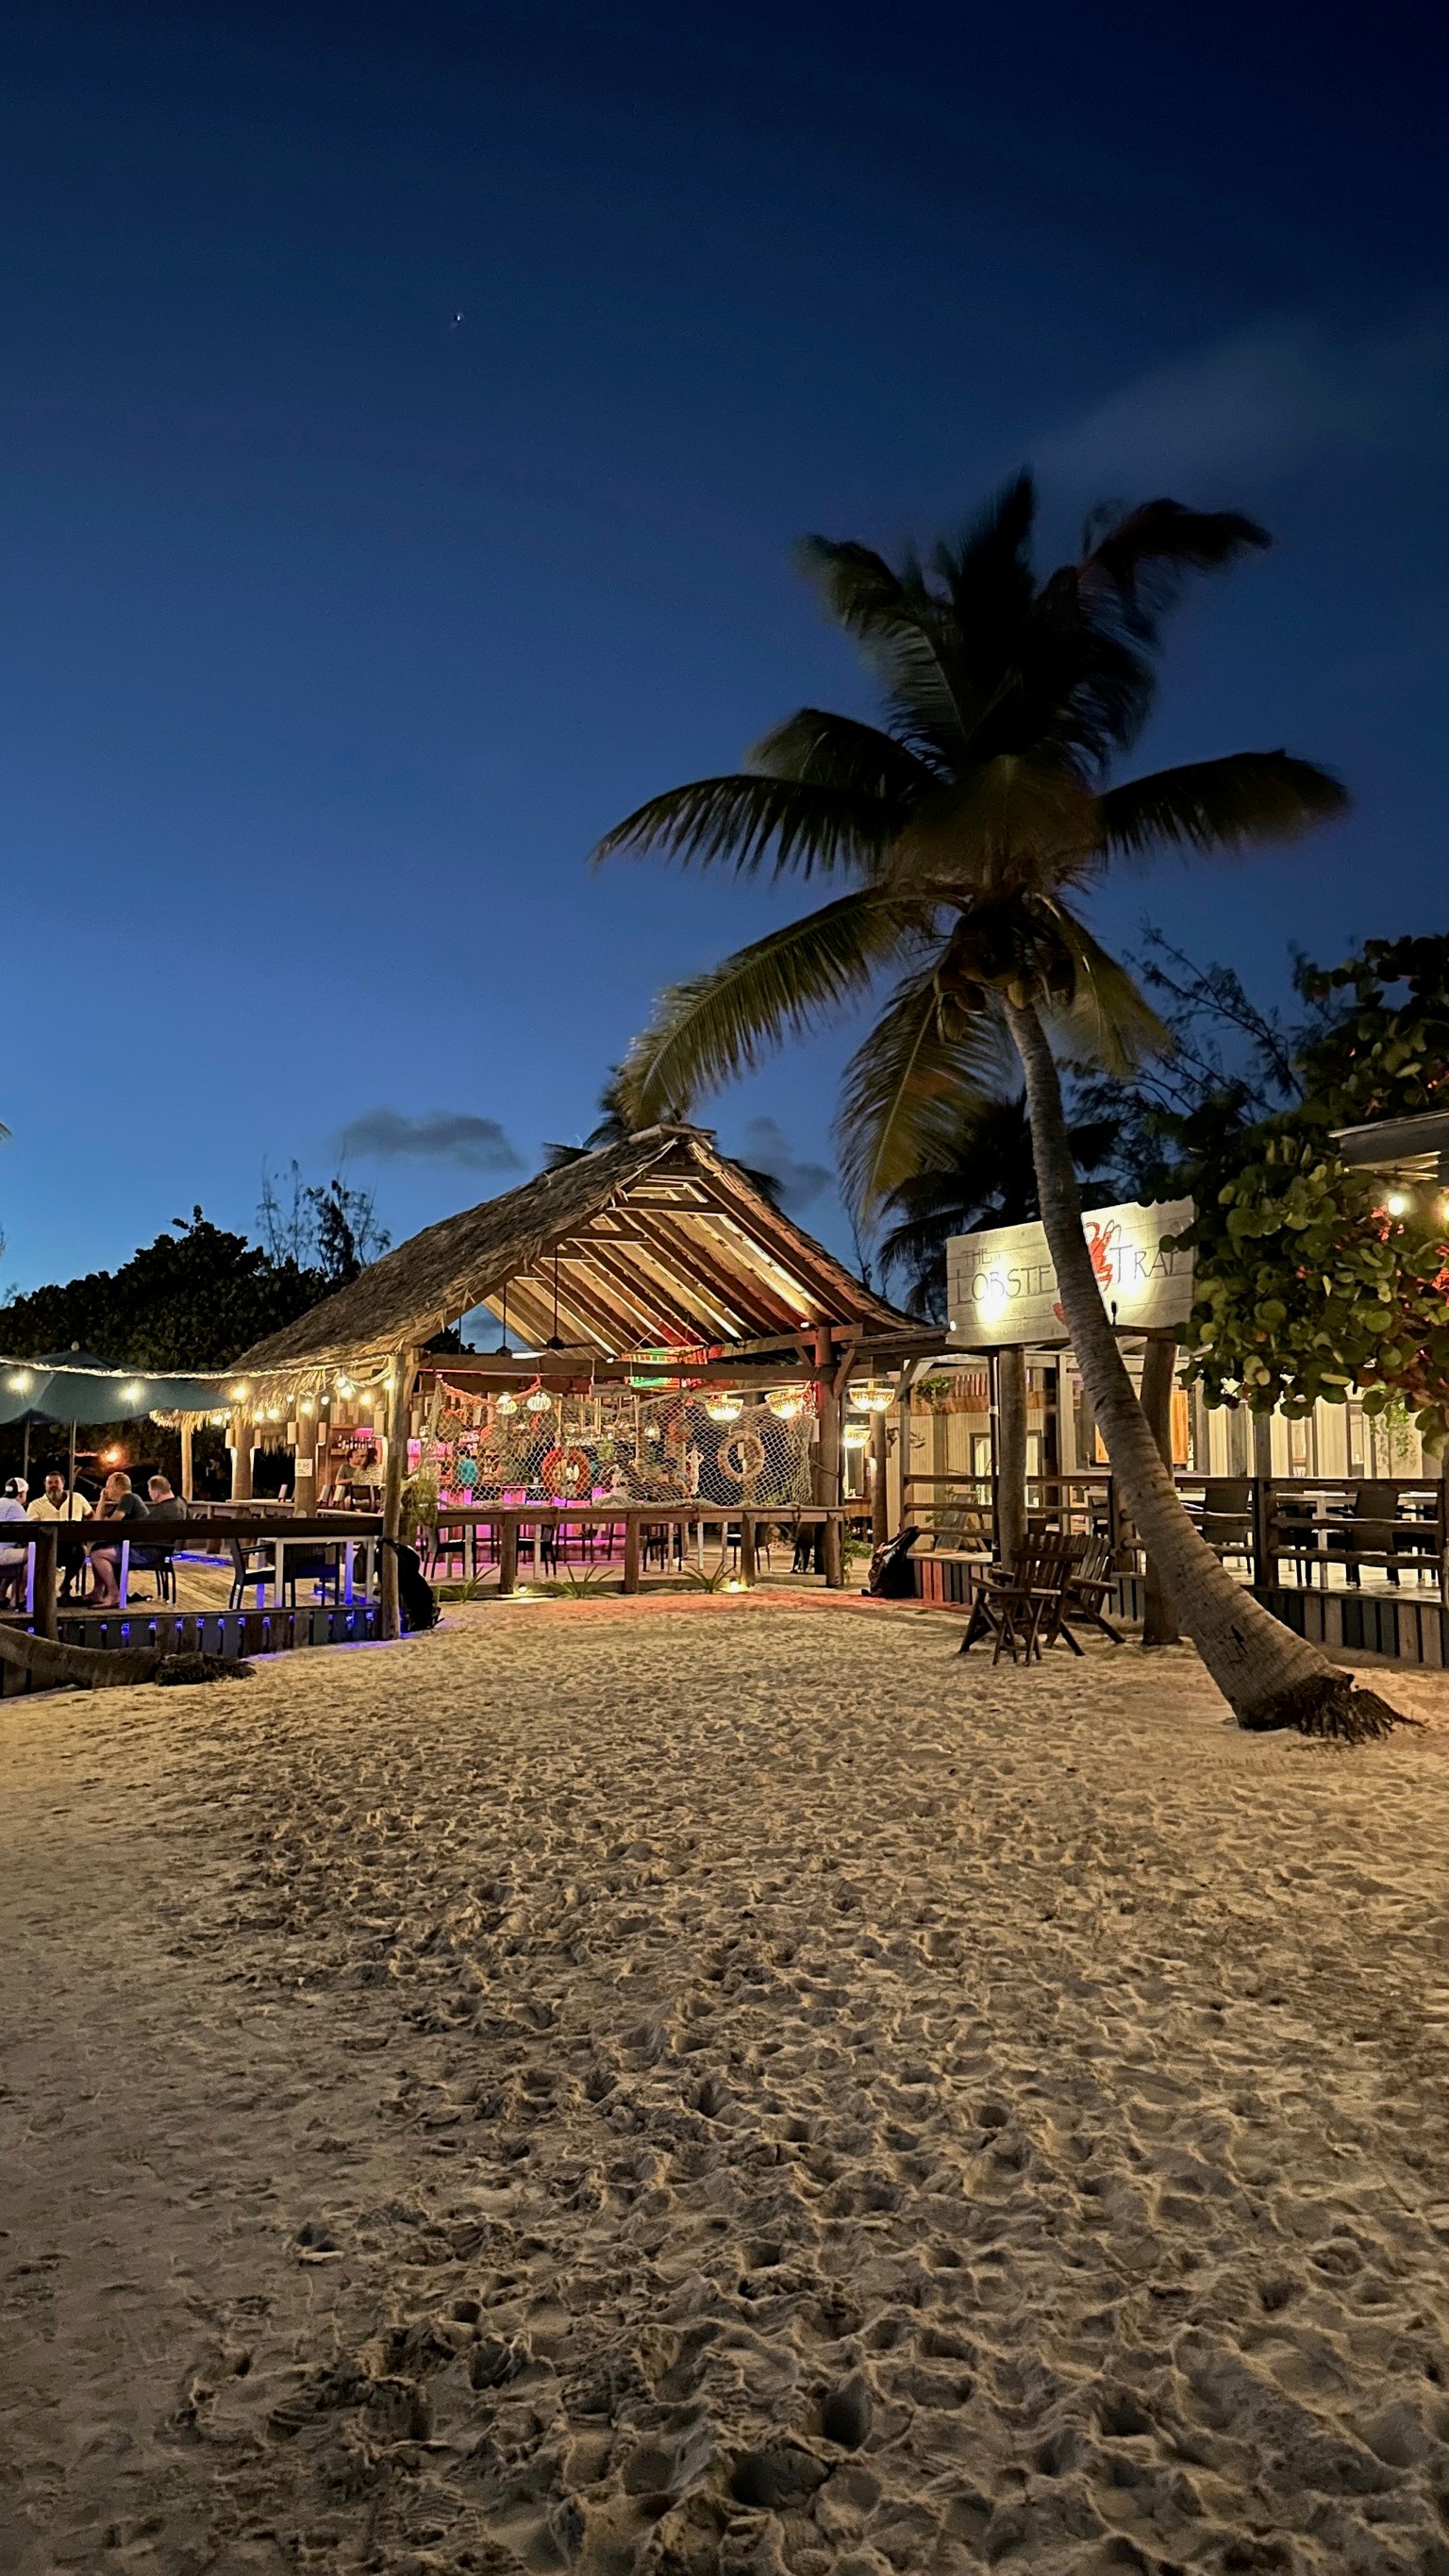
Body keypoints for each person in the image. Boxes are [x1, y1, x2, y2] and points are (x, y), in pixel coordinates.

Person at [87, 1471, 150, 1609]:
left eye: (108, 1486)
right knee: (96, 1548)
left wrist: (104, 1507)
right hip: (132, 1545)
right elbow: (99, 1521)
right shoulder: (125, 1501)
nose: (106, 1490)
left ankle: (114, 1594)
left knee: (97, 1554)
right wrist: (102, 1501)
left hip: (138, 1549)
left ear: (117, 1486)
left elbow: (113, 1522)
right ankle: (98, 1591)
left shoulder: (129, 1498)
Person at [28, 1469, 92, 1597]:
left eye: (56, 1482)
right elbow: (31, 1527)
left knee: (80, 1551)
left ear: (63, 1484)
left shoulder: (77, 1498)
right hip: (47, 1547)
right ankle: (45, 1593)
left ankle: (66, 1586)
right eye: (49, 1483)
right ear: (45, 1485)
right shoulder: (35, 1505)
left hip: (73, 1544)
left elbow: (90, 1516)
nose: (53, 1485)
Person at [0, 1477, 29, 1608]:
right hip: (2, 1554)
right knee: (36, 1554)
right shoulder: (16, 1507)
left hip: (4, 1550)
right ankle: (19, 1597)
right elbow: (28, 1533)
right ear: (22, 1493)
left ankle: (1, 1594)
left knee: (18, 1553)